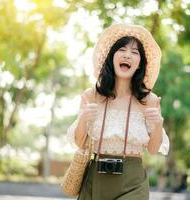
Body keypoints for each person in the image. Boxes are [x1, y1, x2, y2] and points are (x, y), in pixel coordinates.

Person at [66, 23, 170, 200]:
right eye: (122, 49)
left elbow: (153, 150)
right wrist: (84, 118)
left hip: (133, 181)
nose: (127, 55)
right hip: (96, 180)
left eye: (135, 52)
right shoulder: (92, 96)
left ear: (140, 64)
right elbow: (78, 141)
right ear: (112, 57)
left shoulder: (149, 100)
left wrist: (158, 123)